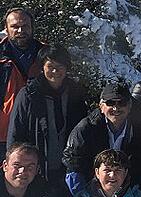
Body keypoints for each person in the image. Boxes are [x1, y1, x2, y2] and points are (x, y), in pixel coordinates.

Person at [63, 83, 141, 197]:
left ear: (129, 106)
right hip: (94, 188)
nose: (116, 108)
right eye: (110, 103)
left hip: (131, 189)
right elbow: (73, 164)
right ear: (101, 106)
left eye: (121, 103)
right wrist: (83, 196)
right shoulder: (86, 129)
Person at [7, 44, 88, 185]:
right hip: (36, 170)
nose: (55, 71)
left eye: (60, 66)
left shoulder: (75, 93)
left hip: (68, 170)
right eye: (50, 66)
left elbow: (84, 131)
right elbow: (15, 132)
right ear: (42, 67)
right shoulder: (28, 95)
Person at [0, 7, 46, 154]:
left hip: (39, 130)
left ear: (32, 27)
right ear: (6, 29)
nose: (20, 30)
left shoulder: (47, 54)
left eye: (24, 26)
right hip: (3, 133)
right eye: (14, 26)